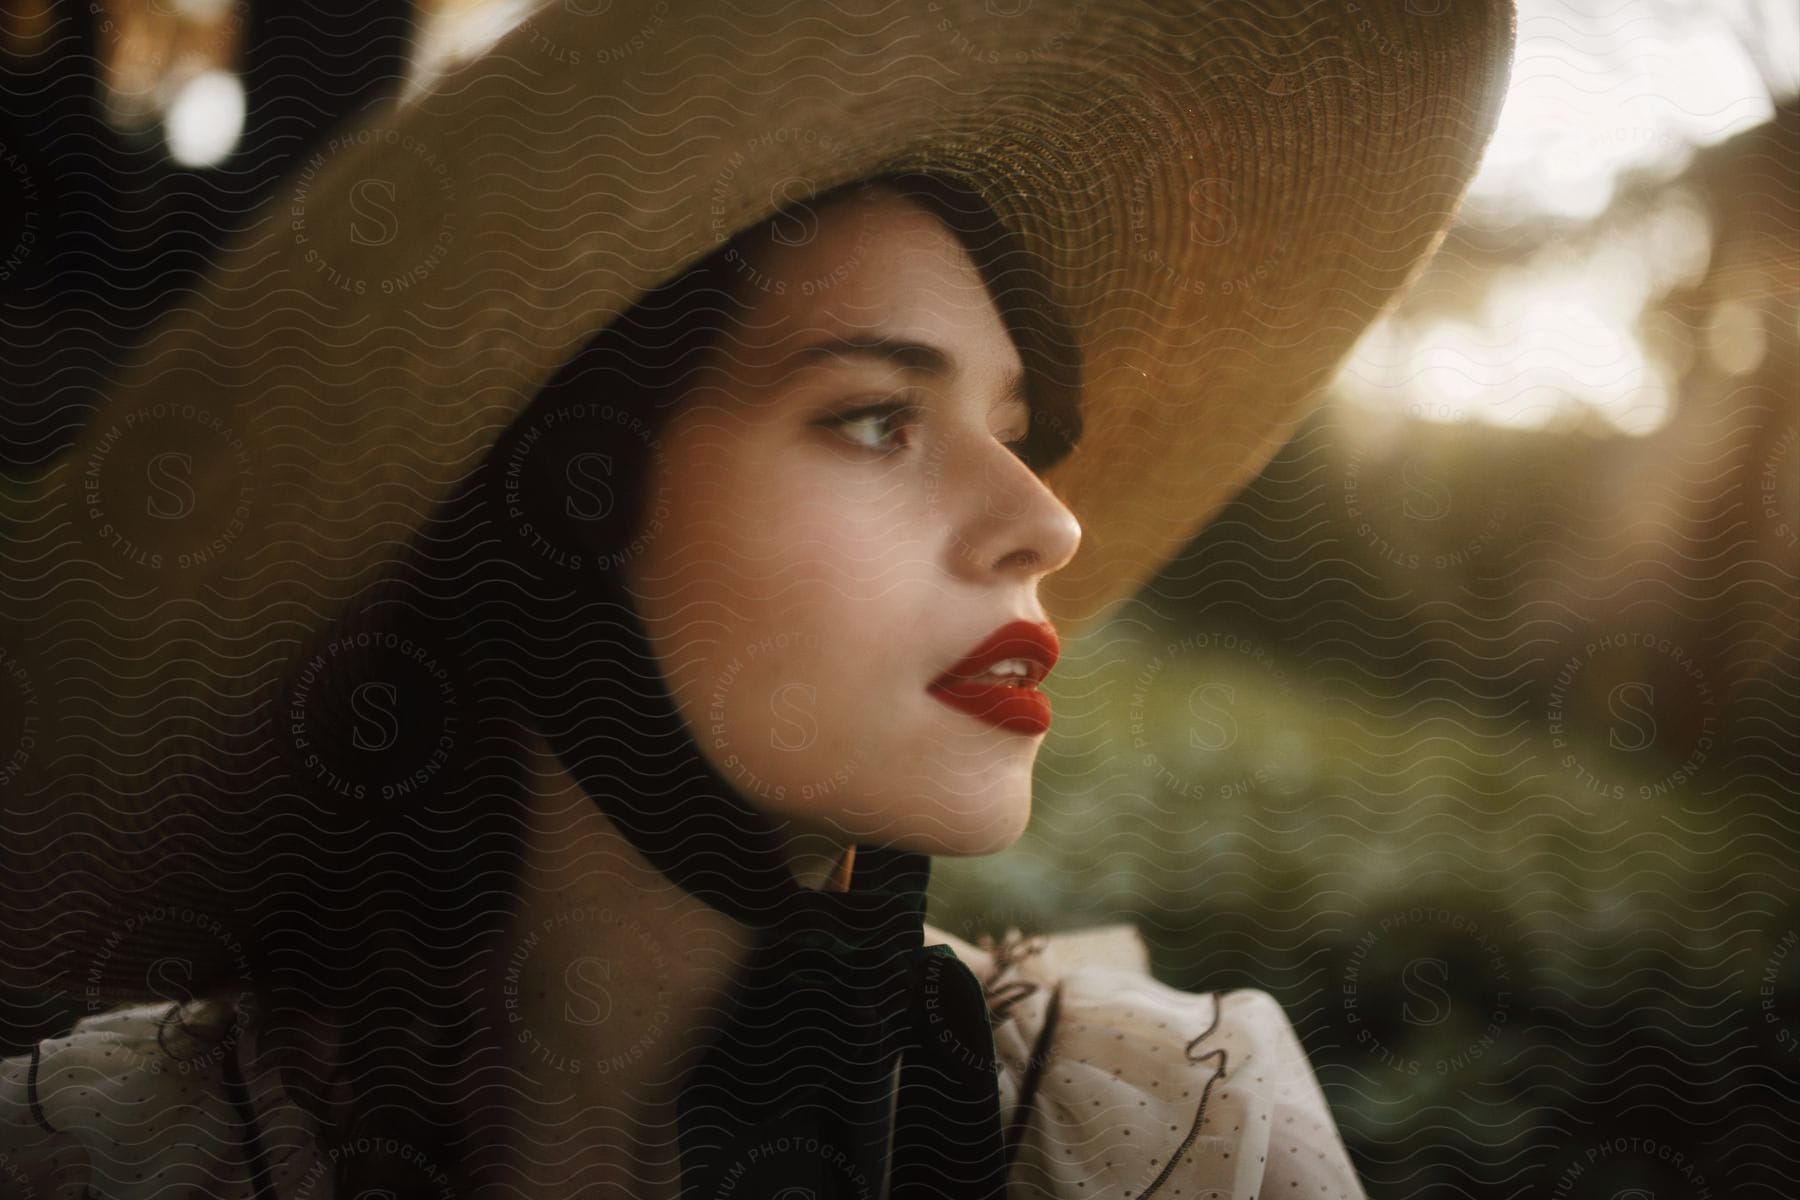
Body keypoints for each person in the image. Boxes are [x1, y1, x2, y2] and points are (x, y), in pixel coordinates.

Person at [0, 1, 1517, 1196]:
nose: (1046, 522)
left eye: (1020, 432)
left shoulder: (1168, 1140)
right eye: (876, 417)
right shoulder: (100, 1153)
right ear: (560, 508)